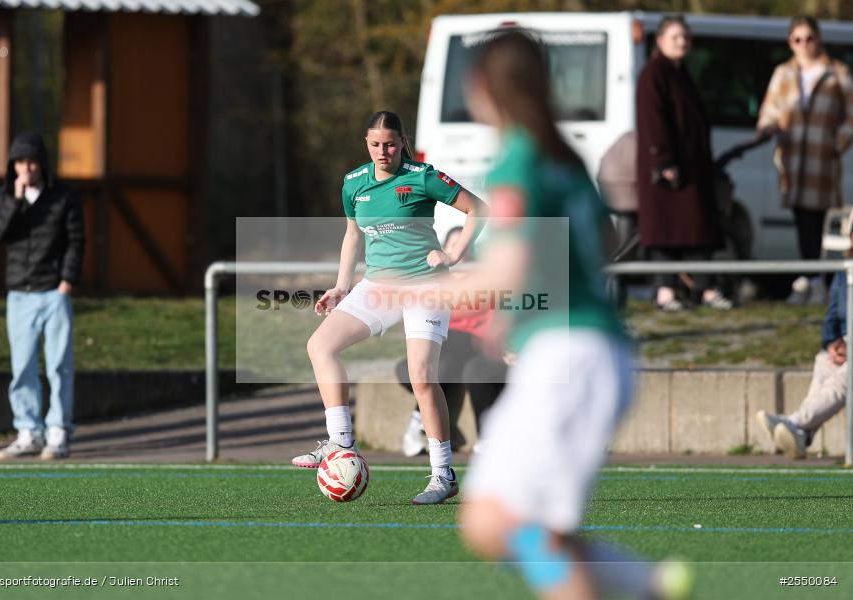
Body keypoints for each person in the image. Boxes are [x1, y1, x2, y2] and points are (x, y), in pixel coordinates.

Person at [456, 31, 690, 600]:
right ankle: (643, 587)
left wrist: (410, 288)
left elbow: (507, 272)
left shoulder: (520, 158)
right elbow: (605, 238)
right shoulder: (562, 156)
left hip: (571, 356)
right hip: (575, 351)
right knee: (489, 520)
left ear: (482, 87)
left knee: (534, 532)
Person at [291, 111, 485, 505]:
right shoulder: (353, 183)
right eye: (376, 144)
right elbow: (351, 235)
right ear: (366, 142)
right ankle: (341, 444)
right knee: (320, 346)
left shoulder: (422, 175)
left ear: (402, 142)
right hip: (378, 285)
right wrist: (342, 286)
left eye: (391, 144)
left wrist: (453, 253)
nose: (384, 151)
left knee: (422, 377)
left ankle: (442, 475)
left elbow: (477, 209)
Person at [0, 132, 85, 460]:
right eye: (20, 163)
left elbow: (76, 239)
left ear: (42, 165)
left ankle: (58, 430)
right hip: (19, 293)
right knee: (23, 366)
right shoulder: (5, 197)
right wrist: (16, 200)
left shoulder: (63, 197)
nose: (26, 169)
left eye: (31, 162)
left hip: (54, 292)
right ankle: (28, 431)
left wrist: (67, 280)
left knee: (60, 366)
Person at [636, 15, 731, 312]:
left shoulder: (680, 73)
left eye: (685, 37)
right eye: (676, 37)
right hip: (667, 170)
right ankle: (666, 291)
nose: (682, 42)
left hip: (691, 168)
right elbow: (652, 120)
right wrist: (662, 159)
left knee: (698, 231)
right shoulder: (653, 73)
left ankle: (704, 288)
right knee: (665, 233)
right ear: (660, 41)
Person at [757, 15, 853, 306]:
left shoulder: (837, 73)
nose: (803, 45)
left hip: (822, 162)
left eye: (808, 38)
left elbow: (851, 116)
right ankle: (811, 279)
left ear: (818, 39)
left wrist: (836, 144)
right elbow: (769, 111)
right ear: (790, 42)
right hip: (793, 162)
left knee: (820, 222)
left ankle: (816, 281)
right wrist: (768, 129)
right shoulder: (783, 73)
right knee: (801, 221)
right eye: (797, 39)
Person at [397, 227, 507, 456]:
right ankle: (422, 425)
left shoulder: (485, 281)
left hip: (479, 347)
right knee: (440, 364)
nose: (459, 252)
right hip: (446, 351)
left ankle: (484, 437)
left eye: (464, 246)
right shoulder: (432, 282)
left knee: (468, 365)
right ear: (442, 251)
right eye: (453, 246)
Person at [756, 265, 849, 458]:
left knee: (845, 376)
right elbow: (832, 312)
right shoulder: (845, 271)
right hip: (846, 342)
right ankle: (802, 433)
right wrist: (832, 342)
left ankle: (796, 423)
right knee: (824, 361)